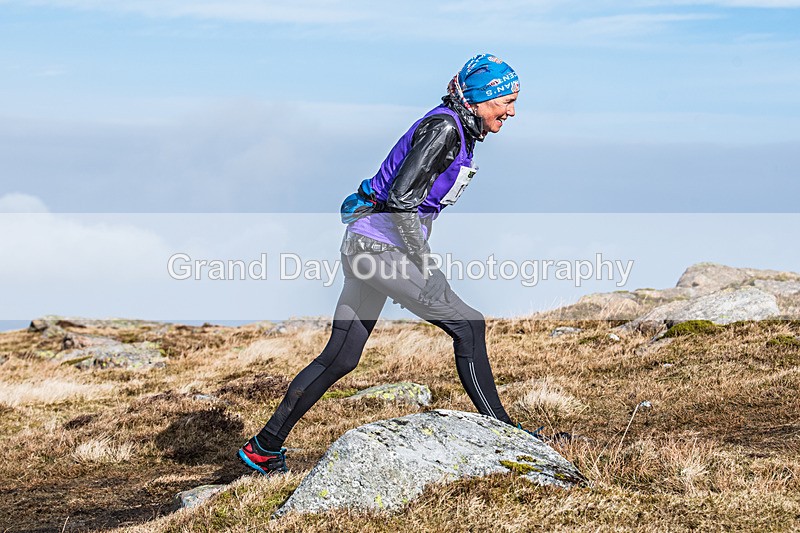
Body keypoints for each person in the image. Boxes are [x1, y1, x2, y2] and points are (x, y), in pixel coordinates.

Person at [238, 53, 524, 475]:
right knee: (469, 324)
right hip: (379, 251)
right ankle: (506, 435)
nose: (512, 111)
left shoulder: (455, 128)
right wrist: (426, 267)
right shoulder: (445, 128)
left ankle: (263, 448)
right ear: (481, 99)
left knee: (340, 357)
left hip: (365, 245)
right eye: (505, 102)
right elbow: (401, 201)